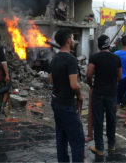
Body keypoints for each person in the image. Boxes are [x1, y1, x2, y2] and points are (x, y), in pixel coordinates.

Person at [49, 28, 85, 163]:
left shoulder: (55, 59)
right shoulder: (71, 60)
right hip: (67, 105)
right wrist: (80, 95)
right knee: (77, 139)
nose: (74, 40)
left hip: (56, 102)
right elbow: (74, 85)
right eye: (73, 38)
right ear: (68, 41)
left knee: (61, 138)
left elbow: (51, 81)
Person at [86, 34, 122, 156]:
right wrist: (112, 83)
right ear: (108, 45)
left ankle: (99, 148)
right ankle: (111, 145)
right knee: (112, 119)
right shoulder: (116, 58)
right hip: (112, 93)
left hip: (98, 93)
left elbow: (88, 74)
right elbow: (119, 76)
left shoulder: (95, 57)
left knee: (98, 120)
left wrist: (91, 85)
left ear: (99, 44)